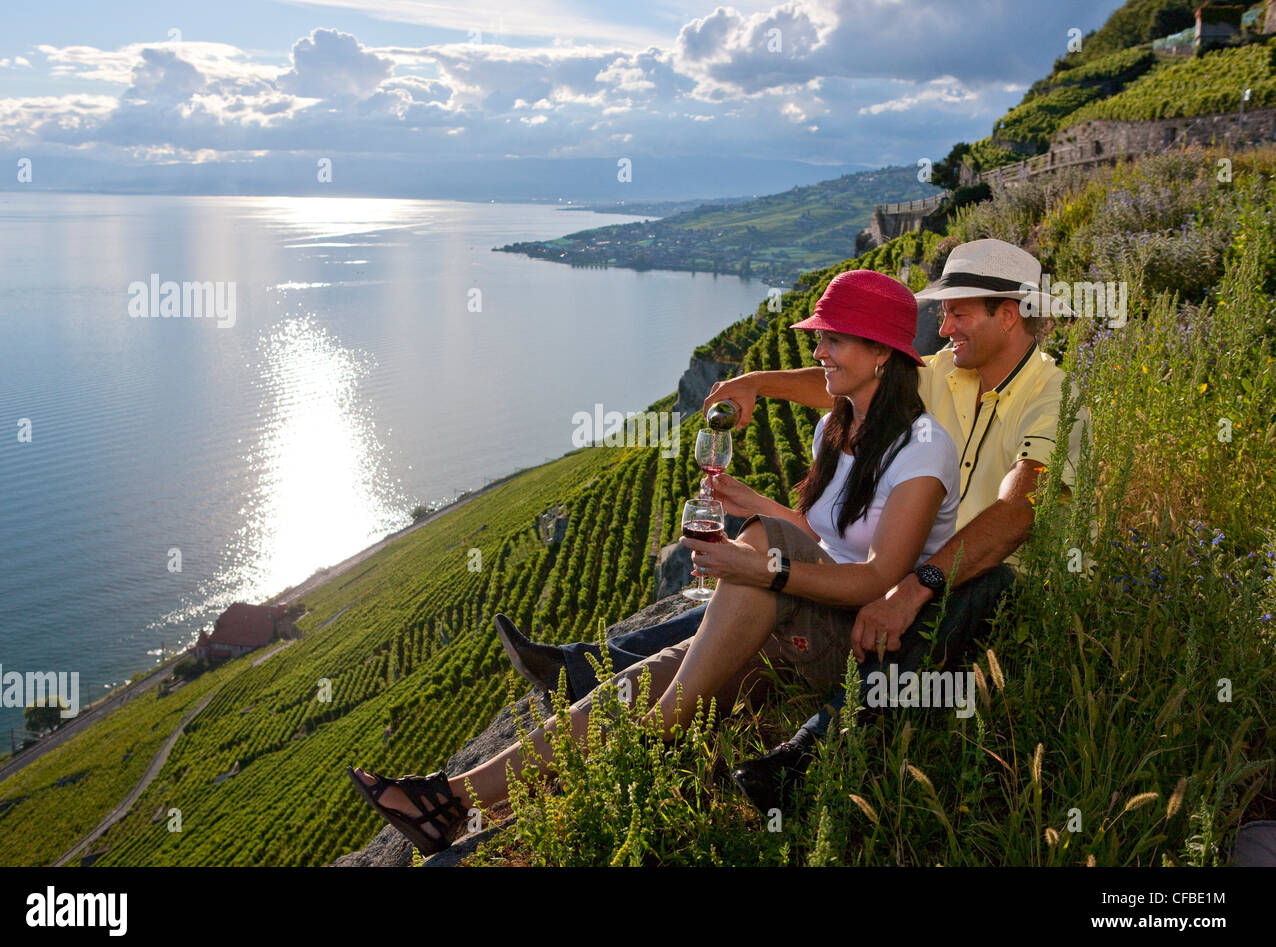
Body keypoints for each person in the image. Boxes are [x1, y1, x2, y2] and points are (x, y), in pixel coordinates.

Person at [348, 268, 964, 855]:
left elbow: (879, 577)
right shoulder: (836, 427)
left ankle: (647, 738)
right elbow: (827, 536)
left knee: (744, 575)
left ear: (882, 351)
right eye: (820, 337)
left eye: (834, 339)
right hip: (800, 612)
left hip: (851, 643)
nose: (821, 351)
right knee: (652, 674)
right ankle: (448, 799)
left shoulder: (923, 449)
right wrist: (749, 503)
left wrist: (765, 568)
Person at [494, 238, 1089, 812]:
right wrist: (757, 383)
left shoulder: (1055, 397)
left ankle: (813, 750)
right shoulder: (945, 371)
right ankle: (593, 668)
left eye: (958, 313)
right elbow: (855, 387)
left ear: (1008, 315)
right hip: (900, 557)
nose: (945, 327)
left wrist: (912, 589)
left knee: (983, 585)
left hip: (969, 577)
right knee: (762, 575)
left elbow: (1017, 513)